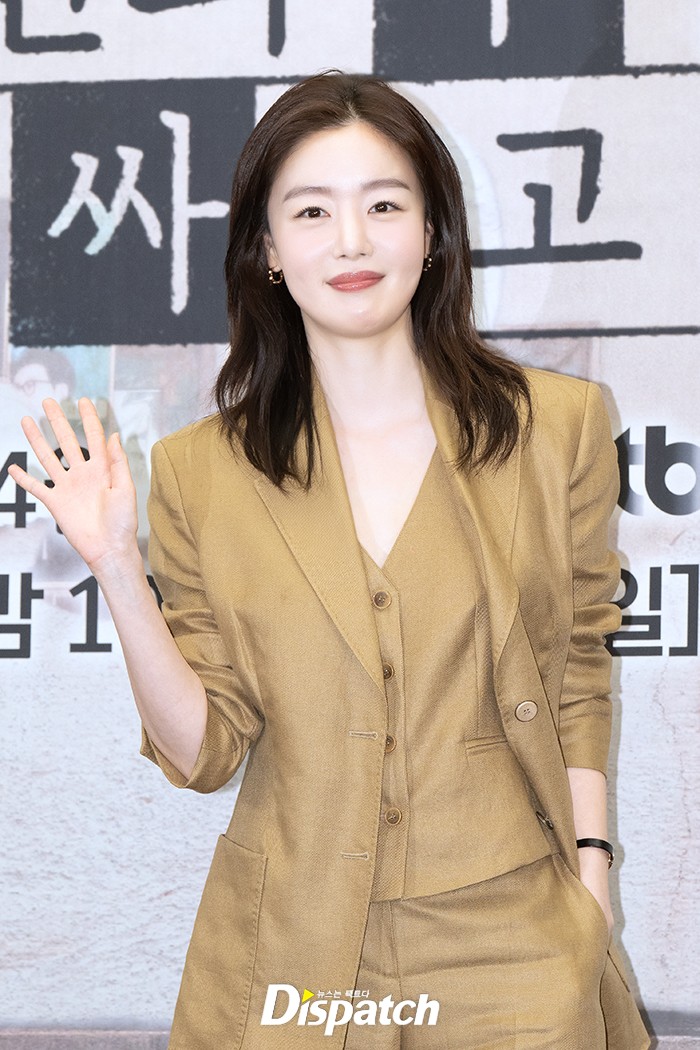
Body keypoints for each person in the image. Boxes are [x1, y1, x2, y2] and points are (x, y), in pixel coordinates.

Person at [9, 72, 650, 1050]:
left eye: (383, 205)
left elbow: (576, 672)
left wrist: (591, 877)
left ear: (431, 232)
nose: (351, 240)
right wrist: (117, 568)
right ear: (268, 249)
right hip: (292, 950)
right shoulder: (199, 471)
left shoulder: (554, 426)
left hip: (511, 938)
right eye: (311, 211)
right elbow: (203, 752)